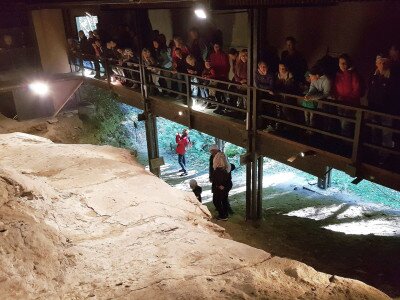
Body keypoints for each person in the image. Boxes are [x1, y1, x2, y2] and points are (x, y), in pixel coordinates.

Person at [367, 55, 399, 153]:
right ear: (376, 64)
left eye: (384, 63)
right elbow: (370, 93)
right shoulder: (373, 77)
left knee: (386, 133)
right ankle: (374, 152)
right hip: (374, 108)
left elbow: (394, 95)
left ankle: (385, 154)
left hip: (387, 110)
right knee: (374, 131)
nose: (382, 65)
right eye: (380, 63)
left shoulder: (393, 78)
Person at [334, 53, 361, 136]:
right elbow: (335, 88)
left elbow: (357, 90)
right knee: (342, 122)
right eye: (340, 63)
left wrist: (345, 99)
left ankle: (346, 143)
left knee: (346, 124)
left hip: (350, 104)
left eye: (344, 63)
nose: (342, 65)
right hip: (340, 103)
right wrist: (337, 97)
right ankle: (345, 141)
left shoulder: (353, 74)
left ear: (348, 63)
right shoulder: (338, 74)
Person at [303, 65, 332, 130]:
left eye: (311, 76)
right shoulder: (314, 79)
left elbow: (326, 94)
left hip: (330, 100)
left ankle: (328, 133)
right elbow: (312, 87)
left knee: (328, 117)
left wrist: (311, 97)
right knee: (324, 116)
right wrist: (308, 94)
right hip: (321, 99)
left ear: (317, 75)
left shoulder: (327, 80)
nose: (310, 78)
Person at [209, 144, 233, 215]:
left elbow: (226, 168)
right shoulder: (214, 157)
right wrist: (211, 176)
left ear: (215, 150)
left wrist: (219, 184)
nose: (211, 153)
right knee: (221, 197)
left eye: (212, 151)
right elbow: (211, 167)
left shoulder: (222, 157)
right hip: (221, 180)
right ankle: (224, 211)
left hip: (221, 181)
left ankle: (224, 213)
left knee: (220, 198)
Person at [211, 151, 231, 221]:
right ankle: (226, 213)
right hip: (227, 186)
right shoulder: (228, 166)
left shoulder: (217, 170)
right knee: (224, 200)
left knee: (216, 201)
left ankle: (222, 216)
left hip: (220, 188)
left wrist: (219, 186)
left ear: (216, 160)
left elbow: (217, 181)